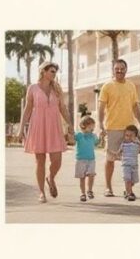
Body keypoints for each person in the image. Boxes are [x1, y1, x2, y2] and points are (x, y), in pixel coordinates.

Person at [21, 62, 72, 203]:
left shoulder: (57, 88)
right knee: (40, 161)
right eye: (52, 71)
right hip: (38, 126)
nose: (54, 74)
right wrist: (21, 129)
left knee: (57, 160)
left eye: (55, 72)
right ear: (43, 71)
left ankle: (51, 177)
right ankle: (41, 192)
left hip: (54, 127)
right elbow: (28, 108)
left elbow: (63, 108)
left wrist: (70, 124)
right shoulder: (32, 88)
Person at [98, 59, 140, 197]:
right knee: (110, 159)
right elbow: (101, 108)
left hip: (129, 129)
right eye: (117, 68)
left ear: (126, 69)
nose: (119, 71)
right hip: (112, 128)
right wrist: (101, 124)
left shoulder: (131, 86)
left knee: (130, 162)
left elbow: (135, 107)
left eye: (122, 68)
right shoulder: (107, 86)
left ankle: (128, 189)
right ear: (113, 70)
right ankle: (108, 187)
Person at [74, 116, 98, 202]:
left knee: (91, 175)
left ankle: (90, 190)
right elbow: (72, 139)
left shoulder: (93, 136)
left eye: (93, 127)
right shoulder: (79, 135)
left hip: (91, 159)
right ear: (84, 126)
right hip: (81, 159)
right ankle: (83, 193)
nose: (92, 129)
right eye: (91, 127)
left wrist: (101, 137)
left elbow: (97, 144)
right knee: (82, 177)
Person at [120, 125, 140, 201]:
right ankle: (130, 194)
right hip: (126, 165)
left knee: (133, 181)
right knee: (127, 180)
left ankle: (127, 190)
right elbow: (119, 152)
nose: (129, 137)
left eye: (131, 135)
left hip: (134, 166)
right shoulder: (123, 144)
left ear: (135, 136)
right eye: (127, 135)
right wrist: (115, 155)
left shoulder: (137, 144)